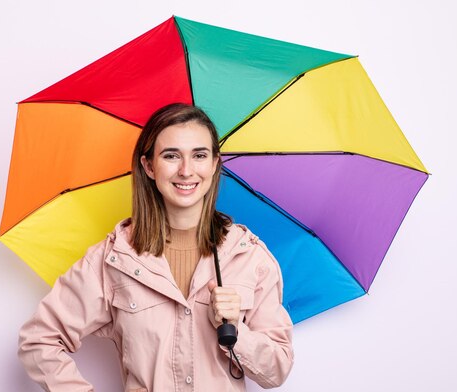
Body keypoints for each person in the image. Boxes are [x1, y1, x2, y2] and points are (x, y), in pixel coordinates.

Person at [18, 103, 294, 391]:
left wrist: (237, 329)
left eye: (199, 155)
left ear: (214, 164)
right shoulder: (114, 259)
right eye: (171, 156)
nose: (186, 171)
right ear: (149, 166)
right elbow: (40, 339)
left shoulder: (249, 257)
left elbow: (277, 371)